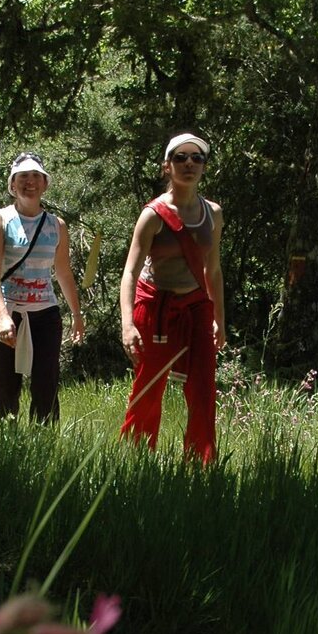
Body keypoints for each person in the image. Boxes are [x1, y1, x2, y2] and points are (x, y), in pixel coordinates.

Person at [119, 132, 225, 463]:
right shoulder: (153, 215)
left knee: (204, 391)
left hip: (195, 309)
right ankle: (136, 462)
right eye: (181, 158)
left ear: (205, 166)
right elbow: (130, 273)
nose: (189, 164)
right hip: (155, 308)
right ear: (167, 166)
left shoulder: (214, 214)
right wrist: (127, 324)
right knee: (149, 389)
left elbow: (214, 270)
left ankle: (200, 465)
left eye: (197, 158)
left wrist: (219, 319)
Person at [0, 152, 85, 422]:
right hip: (6, 311)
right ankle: (4, 444)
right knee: (5, 384)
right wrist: (3, 316)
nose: (30, 182)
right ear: (13, 185)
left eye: (36, 176)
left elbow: (62, 271)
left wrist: (76, 314)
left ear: (45, 183)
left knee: (46, 384)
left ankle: (43, 445)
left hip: (45, 313)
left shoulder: (56, 226)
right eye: (23, 177)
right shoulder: (0, 220)